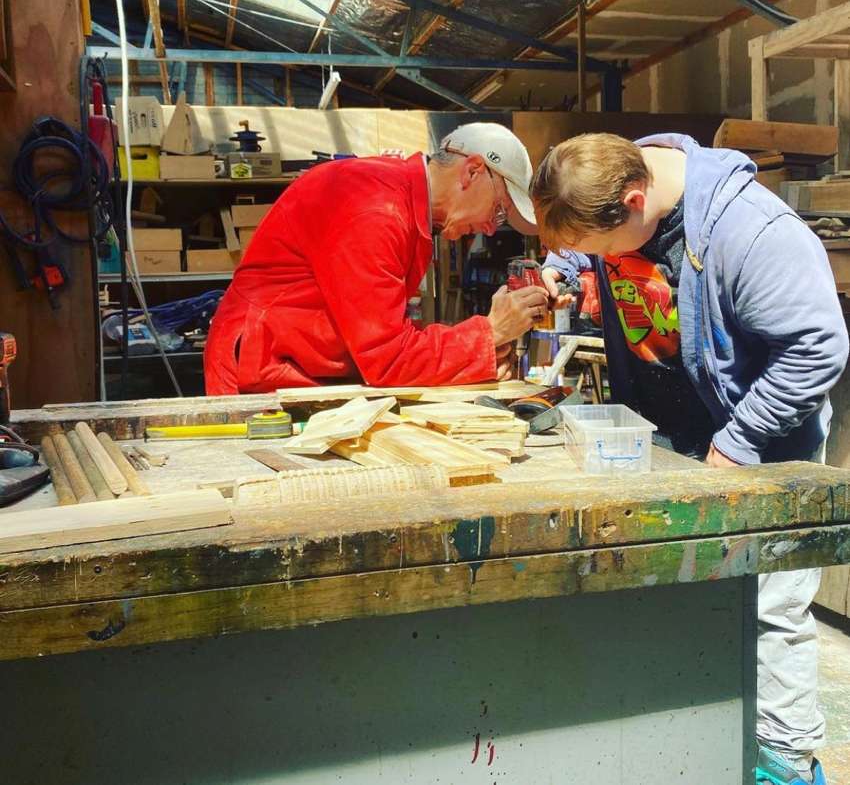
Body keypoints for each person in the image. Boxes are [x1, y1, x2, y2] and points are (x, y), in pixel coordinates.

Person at [531, 132, 848, 785]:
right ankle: (692, 739)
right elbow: (576, 235)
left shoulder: (753, 234)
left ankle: (783, 768)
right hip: (670, 436)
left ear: (637, 203)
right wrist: (565, 268)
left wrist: (738, 441)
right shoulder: (611, 186)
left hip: (760, 449)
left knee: (765, 610)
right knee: (674, 595)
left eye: (598, 250)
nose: (594, 260)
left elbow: (818, 345)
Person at [204, 123, 548, 394]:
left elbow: (384, 337)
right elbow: (387, 358)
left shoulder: (405, 208)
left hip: (299, 366)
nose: (490, 228)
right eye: (499, 210)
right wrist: (487, 334)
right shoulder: (375, 210)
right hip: (261, 374)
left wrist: (477, 352)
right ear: (472, 171)